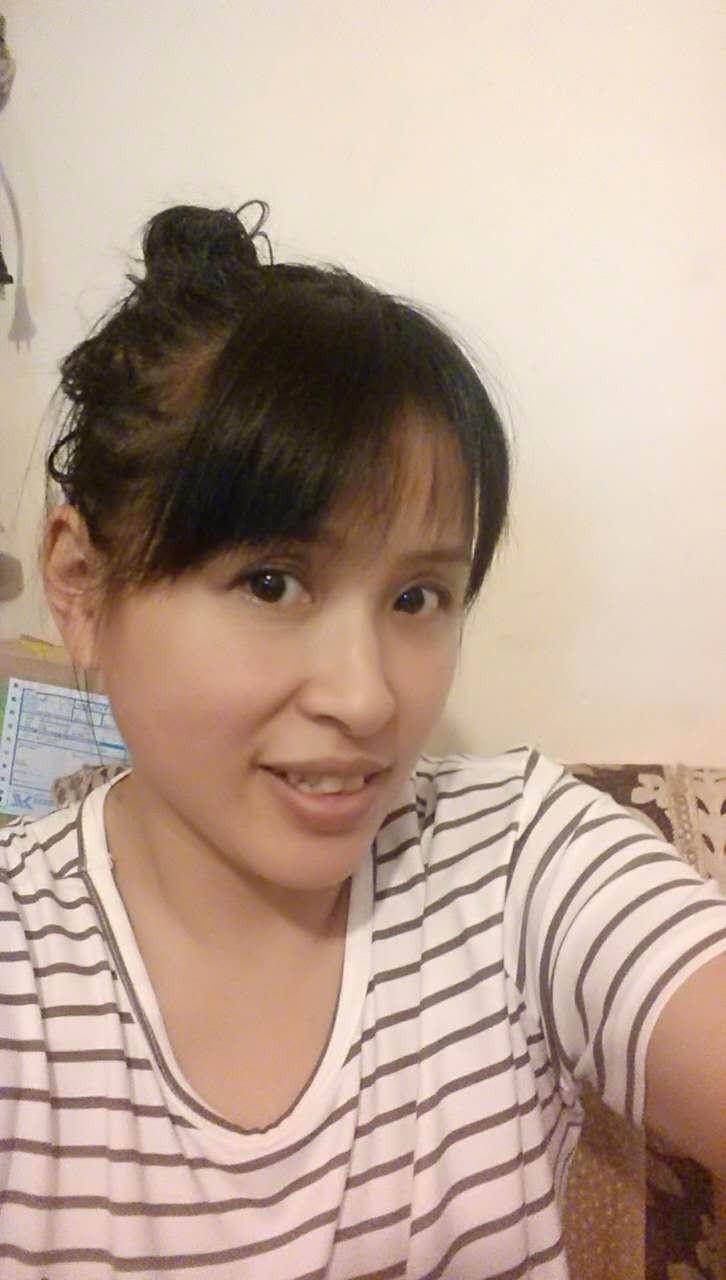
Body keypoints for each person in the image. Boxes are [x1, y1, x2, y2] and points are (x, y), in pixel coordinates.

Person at [1, 202, 724, 1279]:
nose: (369, 696)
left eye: (418, 595)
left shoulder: (521, 860)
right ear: (81, 584)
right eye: (271, 582)